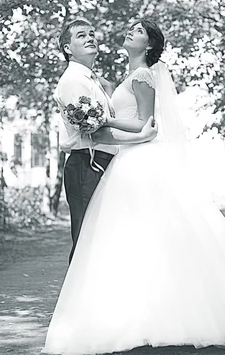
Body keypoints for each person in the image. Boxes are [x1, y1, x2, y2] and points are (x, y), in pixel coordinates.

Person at [44, 20, 225, 355]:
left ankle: (122, 317)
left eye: (139, 31)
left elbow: (140, 123)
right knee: (95, 242)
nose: (128, 33)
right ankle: (103, 315)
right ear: (66, 47)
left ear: (149, 46)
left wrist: (119, 126)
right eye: (81, 36)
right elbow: (105, 128)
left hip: (125, 162)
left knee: (122, 240)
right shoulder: (78, 79)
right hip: (100, 162)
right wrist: (123, 129)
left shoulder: (134, 76)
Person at [54, 18, 157, 264]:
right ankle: (77, 301)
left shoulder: (91, 80)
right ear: (67, 48)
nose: (90, 38)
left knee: (101, 239)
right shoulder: (73, 81)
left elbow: (105, 119)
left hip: (100, 163)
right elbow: (95, 132)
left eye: (92, 34)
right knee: (86, 242)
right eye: (81, 35)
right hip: (85, 165)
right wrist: (140, 136)